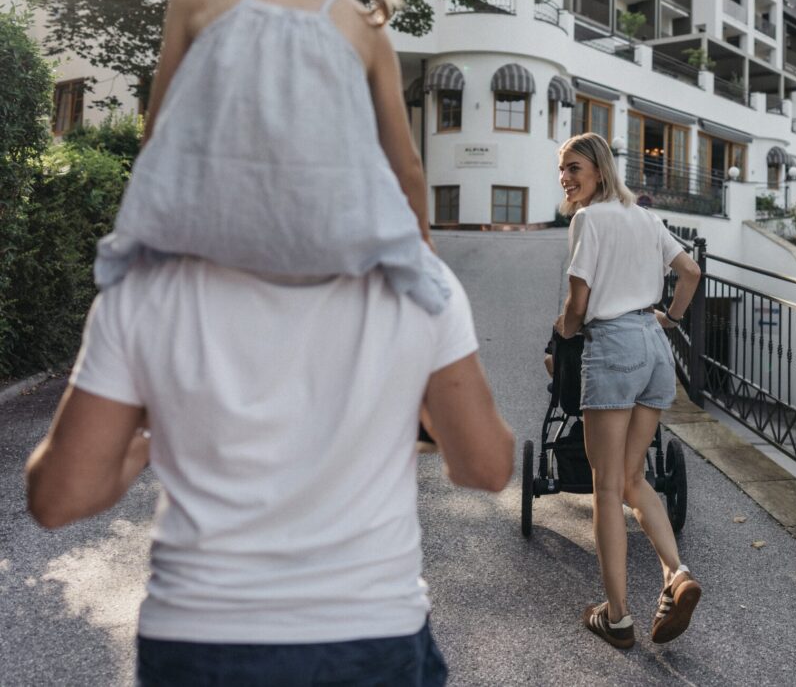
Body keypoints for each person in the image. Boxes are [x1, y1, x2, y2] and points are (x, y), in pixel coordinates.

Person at [25, 253, 514, 686]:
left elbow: (59, 497)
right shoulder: (418, 280)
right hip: (368, 627)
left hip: (199, 636)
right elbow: (487, 468)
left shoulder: (148, 287)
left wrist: (165, 431)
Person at [93, 0, 450, 315]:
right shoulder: (363, 25)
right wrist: (423, 248)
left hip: (205, 240)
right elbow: (405, 164)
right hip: (328, 246)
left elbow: (158, 132)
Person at [553, 132, 704, 648]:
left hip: (614, 347)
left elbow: (579, 302)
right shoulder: (643, 215)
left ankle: (617, 617)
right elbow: (690, 271)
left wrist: (564, 337)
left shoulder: (588, 221)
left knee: (606, 487)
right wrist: (670, 320)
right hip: (653, 349)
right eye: (561, 169)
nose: (565, 178)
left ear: (597, 169)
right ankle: (676, 575)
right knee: (634, 476)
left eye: (573, 167)